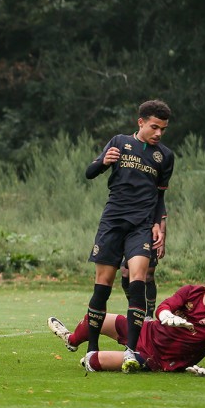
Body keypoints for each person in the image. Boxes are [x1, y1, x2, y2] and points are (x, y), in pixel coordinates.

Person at [81, 99, 174, 371]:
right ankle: (92, 350)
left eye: (163, 129)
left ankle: (132, 352)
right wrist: (102, 162)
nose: (159, 133)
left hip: (141, 226)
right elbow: (90, 172)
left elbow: (160, 197)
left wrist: (159, 225)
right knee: (103, 285)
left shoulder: (165, 156)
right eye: (154, 127)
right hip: (112, 222)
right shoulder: (119, 142)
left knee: (138, 280)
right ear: (141, 122)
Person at [48, 262, 205, 375]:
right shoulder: (191, 292)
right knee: (96, 318)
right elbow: (165, 306)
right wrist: (166, 315)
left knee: (92, 361)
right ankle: (71, 339)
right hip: (145, 331)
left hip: (157, 358)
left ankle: (109, 358)